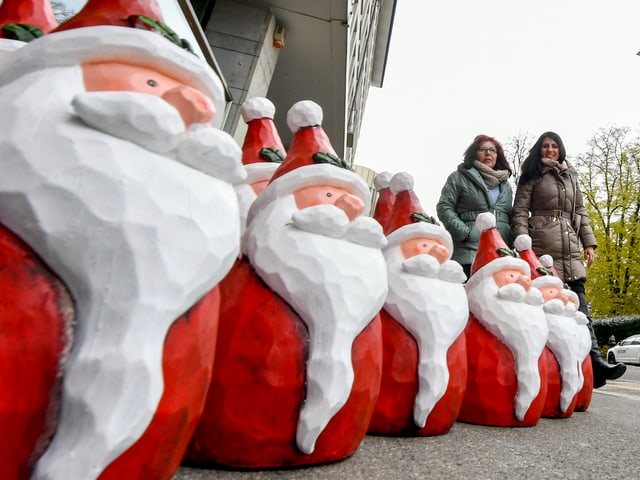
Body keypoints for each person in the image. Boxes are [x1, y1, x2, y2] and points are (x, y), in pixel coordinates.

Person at [511, 131, 626, 388]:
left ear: (561, 150)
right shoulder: (532, 174)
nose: (550, 150)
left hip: (570, 245)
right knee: (546, 307)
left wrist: (589, 243)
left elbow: (581, 212)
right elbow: (519, 210)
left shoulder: (571, 175)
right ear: (539, 150)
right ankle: (542, 369)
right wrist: (522, 243)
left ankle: (595, 363)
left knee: (580, 308)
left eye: (554, 146)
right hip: (541, 246)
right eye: (545, 146)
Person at [437, 134, 513, 277]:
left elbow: (509, 216)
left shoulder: (506, 185)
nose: (488, 153)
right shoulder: (458, 177)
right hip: (469, 253)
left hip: (500, 254)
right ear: (474, 153)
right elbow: (444, 207)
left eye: (493, 150)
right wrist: (465, 232)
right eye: (482, 149)